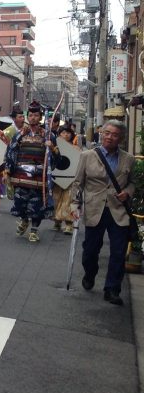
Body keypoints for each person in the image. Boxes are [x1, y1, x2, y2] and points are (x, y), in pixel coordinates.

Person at [70, 120, 136, 306]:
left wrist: (128, 192)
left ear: (121, 138)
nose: (109, 137)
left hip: (118, 210)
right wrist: (75, 205)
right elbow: (77, 183)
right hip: (94, 208)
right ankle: (90, 273)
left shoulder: (128, 159)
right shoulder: (87, 156)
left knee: (118, 251)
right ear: (101, 133)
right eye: (107, 133)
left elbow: (132, 183)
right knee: (90, 250)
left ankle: (112, 289)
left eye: (114, 134)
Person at [5, 101, 50, 243]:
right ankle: (24, 220)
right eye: (31, 115)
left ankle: (34, 230)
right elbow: (11, 151)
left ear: (40, 117)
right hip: (21, 176)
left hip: (39, 177)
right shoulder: (19, 134)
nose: (33, 118)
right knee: (20, 204)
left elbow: (56, 157)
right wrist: (8, 170)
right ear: (27, 117)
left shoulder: (47, 135)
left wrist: (52, 147)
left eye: (36, 115)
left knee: (37, 207)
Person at [51, 126, 76, 235]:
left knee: (68, 201)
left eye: (68, 133)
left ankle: (69, 224)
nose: (66, 135)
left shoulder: (76, 148)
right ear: (59, 134)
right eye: (63, 132)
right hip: (57, 177)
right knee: (56, 200)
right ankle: (57, 221)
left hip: (71, 178)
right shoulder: (54, 147)